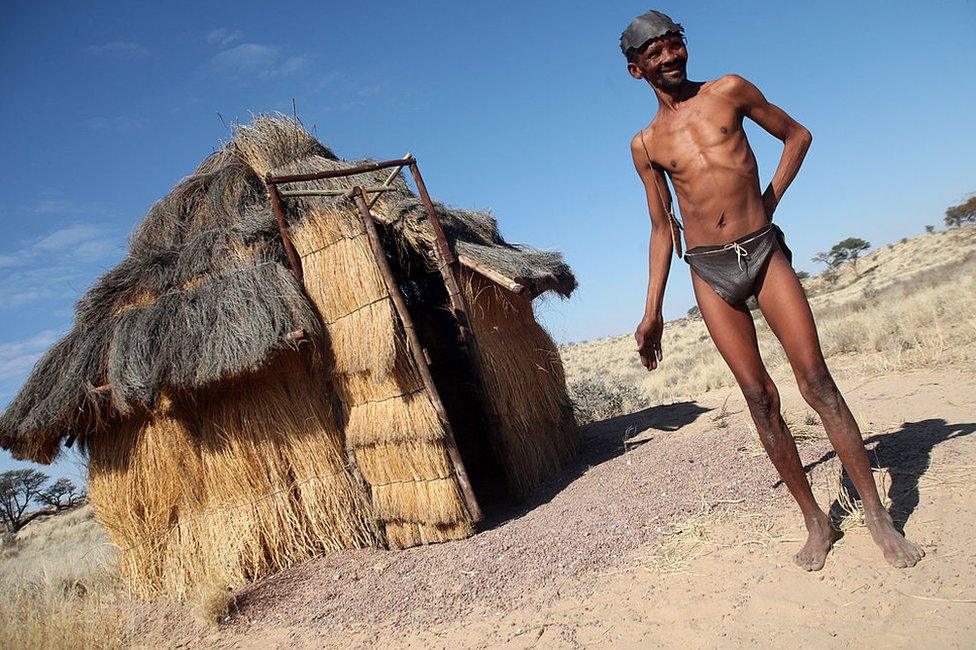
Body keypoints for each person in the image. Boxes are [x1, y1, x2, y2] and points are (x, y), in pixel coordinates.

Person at [623, 10, 924, 570]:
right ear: (636, 70)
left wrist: (772, 199)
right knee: (760, 399)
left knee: (817, 382)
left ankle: (880, 519)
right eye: (655, 54)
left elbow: (797, 135)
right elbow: (663, 226)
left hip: (762, 252)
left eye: (674, 47)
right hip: (708, 270)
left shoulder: (729, 91)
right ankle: (816, 521)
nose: (669, 59)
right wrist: (652, 311)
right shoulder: (646, 144)